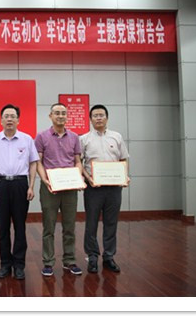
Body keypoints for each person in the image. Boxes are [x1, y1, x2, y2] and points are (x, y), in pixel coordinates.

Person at [0, 104, 39, 280]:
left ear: (18, 120)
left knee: (20, 227)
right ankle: (5, 264)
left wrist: (31, 186)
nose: (9, 119)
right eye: (6, 116)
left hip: (21, 184)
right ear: (1, 120)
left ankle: (19, 265)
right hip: (1, 184)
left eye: (13, 116)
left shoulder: (27, 139)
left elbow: (33, 163)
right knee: (3, 227)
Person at [35, 102, 85, 277]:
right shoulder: (41, 137)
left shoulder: (74, 137)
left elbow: (78, 161)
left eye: (63, 113)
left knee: (69, 226)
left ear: (67, 116)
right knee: (48, 226)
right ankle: (48, 262)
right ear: (50, 116)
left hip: (70, 187)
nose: (60, 116)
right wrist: (45, 180)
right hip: (50, 187)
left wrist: (78, 176)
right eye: (57, 113)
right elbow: (38, 162)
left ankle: (69, 260)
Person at [79, 104, 129, 274]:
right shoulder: (84, 139)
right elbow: (79, 163)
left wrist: (124, 176)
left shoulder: (117, 137)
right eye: (95, 115)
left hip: (114, 188)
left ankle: (109, 256)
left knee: (111, 222)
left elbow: (123, 159)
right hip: (93, 188)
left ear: (107, 118)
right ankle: (92, 256)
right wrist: (89, 179)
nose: (99, 118)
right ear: (90, 119)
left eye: (101, 115)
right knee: (91, 223)